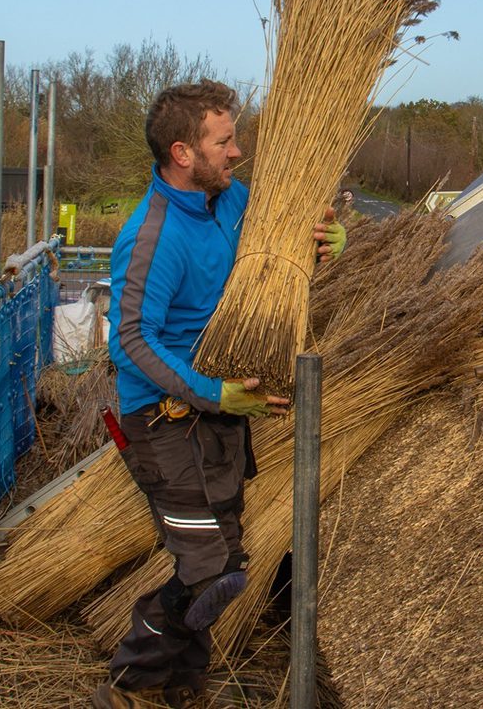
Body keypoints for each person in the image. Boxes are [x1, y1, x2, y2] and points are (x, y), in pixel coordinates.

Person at [93, 80, 344, 709]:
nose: (237, 152)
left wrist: (328, 248)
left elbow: (280, 263)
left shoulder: (231, 203)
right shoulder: (153, 235)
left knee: (226, 562)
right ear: (183, 152)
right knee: (210, 569)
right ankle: (129, 687)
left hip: (218, 410)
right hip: (161, 419)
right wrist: (212, 393)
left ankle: (180, 688)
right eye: (224, 140)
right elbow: (128, 340)